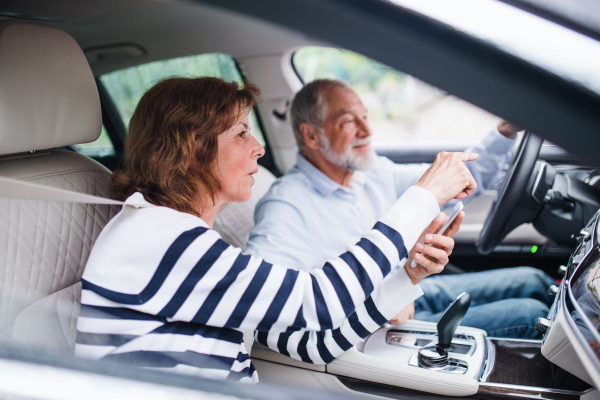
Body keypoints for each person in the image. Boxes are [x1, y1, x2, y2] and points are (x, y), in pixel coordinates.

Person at [74, 77, 478, 382]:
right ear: (192, 148)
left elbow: (312, 343)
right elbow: (319, 300)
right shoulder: (161, 238)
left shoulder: (168, 232)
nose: (259, 148)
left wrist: (407, 277)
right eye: (241, 133)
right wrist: (423, 195)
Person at [246, 79, 555, 339]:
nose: (367, 130)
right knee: (533, 316)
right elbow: (267, 302)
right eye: (349, 121)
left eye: (365, 117)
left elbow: (456, 184)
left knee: (535, 279)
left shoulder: (372, 172)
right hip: (374, 330)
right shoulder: (285, 206)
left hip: (408, 286)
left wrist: (504, 131)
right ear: (311, 135)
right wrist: (376, 304)